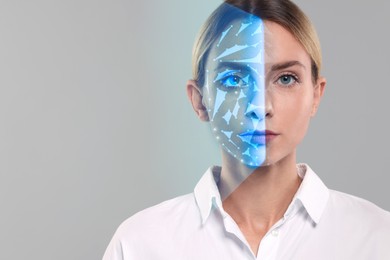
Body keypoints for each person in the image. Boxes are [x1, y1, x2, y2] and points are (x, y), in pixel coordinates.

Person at [103, 0, 390, 259]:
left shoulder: (378, 239)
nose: (260, 105)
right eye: (233, 80)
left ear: (315, 95)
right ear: (199, 100)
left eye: (286, 78)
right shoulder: (140, 244)